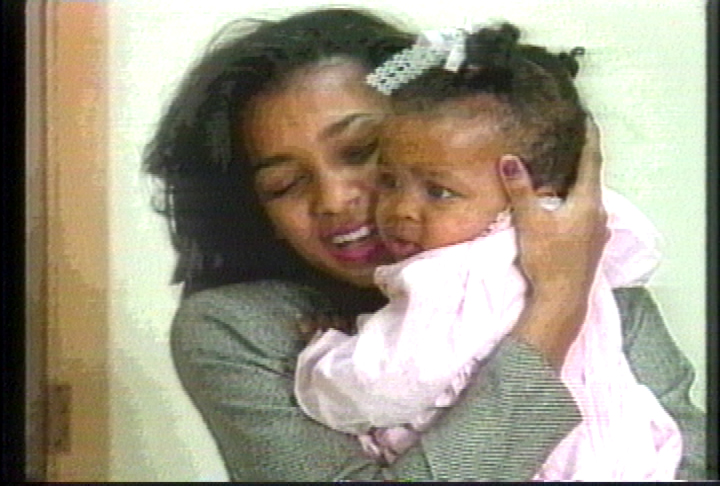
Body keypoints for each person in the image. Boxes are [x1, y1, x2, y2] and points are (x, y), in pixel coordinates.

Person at [143, 7, 706, 481]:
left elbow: (691, 459)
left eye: (364, 151)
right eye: (285, 184)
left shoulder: (590, 270)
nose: (334, 200)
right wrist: (554, 311)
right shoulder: (240, 328)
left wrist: (568, 279)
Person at [293, 23, 681, 480]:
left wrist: (322, 358)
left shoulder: (456, 276)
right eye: (390, 181)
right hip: (638, 455)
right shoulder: (579, 236)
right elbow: (638, 254)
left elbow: (383, 386)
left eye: (439, 192)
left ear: (523, 193)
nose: (400, 209)